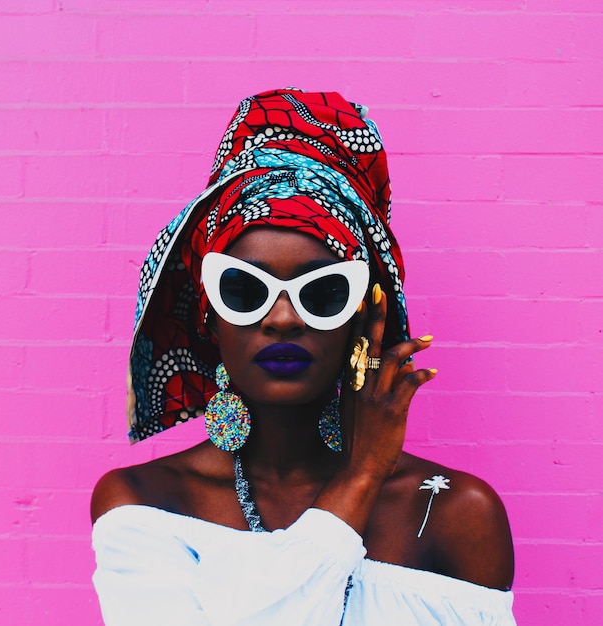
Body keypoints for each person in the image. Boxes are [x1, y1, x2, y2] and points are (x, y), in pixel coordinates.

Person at [91, 88, 516, 625]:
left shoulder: (453, 512)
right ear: (208, 317)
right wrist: (359, 477)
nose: (284, 318)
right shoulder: (144, 506)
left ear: (364, 317)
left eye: (322, 293)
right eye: (245, 291)